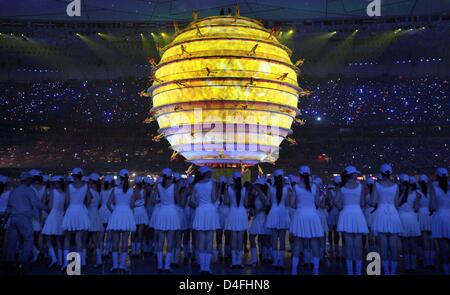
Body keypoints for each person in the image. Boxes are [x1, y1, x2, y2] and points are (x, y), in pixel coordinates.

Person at [5, 172, 45, 274]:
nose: (31, 181)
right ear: (26, 180)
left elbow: (8, 207)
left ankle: (9, 263)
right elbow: (36, 203)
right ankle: (22, 262)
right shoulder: (28, 190)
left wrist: (5, 219)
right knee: (29, 239)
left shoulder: (14, 191)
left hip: (13, 218)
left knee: (12, 242)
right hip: (24, 218)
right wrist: (47, 208)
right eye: (30, 179)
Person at [334, 166, 369, 275]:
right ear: (351, 174)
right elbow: (363, 203)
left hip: (346, 213)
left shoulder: (342, 187)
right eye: (355, 173)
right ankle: (358, 271)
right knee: (358, 244)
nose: (357, 175)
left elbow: (336, 201)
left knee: (348, 244)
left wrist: (342, 208)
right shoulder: (361, 187)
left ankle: (350, 271)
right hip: (357, 213)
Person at [289, 166, 323, 275]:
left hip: (300, 215)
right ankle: (316, 270)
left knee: (298, 243)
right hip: (312, 215)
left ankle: (294, 270)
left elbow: (292, 204)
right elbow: (318, 203)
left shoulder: (296, 187)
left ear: (299, 175)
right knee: (314, 243)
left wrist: (300, 206)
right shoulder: (315, 187)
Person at [370, 164, 403, 275]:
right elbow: (397, 203)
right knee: (393, 245)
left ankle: (386, 270)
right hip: (393, 213)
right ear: (390, 173)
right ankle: (393, 271)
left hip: (381, 213)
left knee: (383, 245)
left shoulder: (377, 185)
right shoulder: (396, 186)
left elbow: (373, 202)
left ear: (381, 173)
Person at [149, 168, 181, 273]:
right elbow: (178, 200)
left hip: (161, 212)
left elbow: (153, 200)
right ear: (171, 176)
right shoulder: (174, 186)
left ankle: (159, 265)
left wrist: (161, 200)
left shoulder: (158, 186)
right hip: (172, 212)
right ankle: (167, 266)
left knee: (160, 241)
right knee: (170, 241)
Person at [191, 166, 220, 274]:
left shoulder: (196, 185)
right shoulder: (212, 183)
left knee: (201, 241)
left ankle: (202, 267)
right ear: (207, 173)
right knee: (209, 241)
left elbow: (193, 200)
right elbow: (213, 198)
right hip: (210, 211)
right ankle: (207, 267)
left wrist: (199, 204)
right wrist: (217, 192)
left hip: (200, 211)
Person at [107, 169, 136, 273]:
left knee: (115, 241)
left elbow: (108, 203)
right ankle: (123, 265)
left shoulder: (115, 189)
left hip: (117, 213)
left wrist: (114, 212)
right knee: (124, 241)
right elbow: (132, 205)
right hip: (127, 214)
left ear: (120, 178)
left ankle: (115, 265)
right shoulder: (131, 190)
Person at [266, 169, 291, 270]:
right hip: (283, 212)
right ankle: (281, 261)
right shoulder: (286, 189)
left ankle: (275, 261)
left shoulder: (271, 188)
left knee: (274, 239)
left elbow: (268, 202)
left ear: (275, 178)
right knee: (282, 239)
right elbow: (288, 203)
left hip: (273, 212)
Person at [224, 171, 248, 269]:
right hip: (242, 214)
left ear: (233, 179)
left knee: (233, 238)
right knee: (240, 238)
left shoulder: (229, 189)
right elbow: (246, 203)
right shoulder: (244, 189)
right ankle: (239, 262)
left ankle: (234, 262)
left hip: (232, 213)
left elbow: (226, 201)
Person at [397, 175, 421, 273]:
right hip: (412, 218)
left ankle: (407, 266)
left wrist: (403, 192)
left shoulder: (400, 193)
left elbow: (397, 204)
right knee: (412, 243)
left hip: (402, 218)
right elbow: (416, 208)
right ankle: (413, 266)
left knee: (405, 244)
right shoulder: (416, 194)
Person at [429, 167, 450, 275]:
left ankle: (446, 271)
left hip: (440, 217)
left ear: (437, 176)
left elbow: (432, 205)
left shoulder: (434, 187)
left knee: (443, 248)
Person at [41, 176, 66, 268]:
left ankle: (54, 258)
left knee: (47, 237)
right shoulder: (64, 192)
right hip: (61, 215)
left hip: (53, 215)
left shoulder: (52, 191)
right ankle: (60, 261)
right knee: (59, 240)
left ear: (55, 183)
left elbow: (50, 206)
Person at [246, 178, 270, 266]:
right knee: (262, 238)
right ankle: (264, 257)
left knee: (252, 237)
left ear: (259, 185)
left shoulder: (260, 193)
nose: (254, 186)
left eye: (256, 185)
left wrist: (258, 211)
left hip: (260, 217)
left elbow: (267, 204)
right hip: (259, 217)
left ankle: (255, 259)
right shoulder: (258, 193)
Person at [417, 174, 434, 269]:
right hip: (430, 214)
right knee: (431, 239)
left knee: (424, 240)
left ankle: (427, 262)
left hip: (421, 214)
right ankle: (432, 262)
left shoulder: (418, 192)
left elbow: (416, 205)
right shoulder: (431, 191)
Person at [87, 173, 104, 268]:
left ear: (91, 181)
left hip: (89, 214)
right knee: (94, 237)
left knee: (88, 237)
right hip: (96, 214)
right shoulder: (98, 191)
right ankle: (99, 259)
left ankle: (98, 260)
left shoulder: (89, 191)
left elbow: (87, 202)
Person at [131, 176, 149, 258]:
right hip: (141, 211)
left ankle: (134, 250)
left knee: (134, 232)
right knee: (140, 232)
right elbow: (145, 202)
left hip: (135, 211)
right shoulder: (143, 191)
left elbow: (132, 202)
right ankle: (137, 251)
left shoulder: (133, 190)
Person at [326, 175, 342, 259]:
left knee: (330, 231)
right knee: (336, 231)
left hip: (332, 212)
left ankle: (331, 248)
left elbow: (328, 201)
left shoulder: (329, 191)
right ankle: (337, 248)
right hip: (339, 212)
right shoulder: (342, 191)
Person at [99, 175, 114, 257]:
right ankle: (108, 251)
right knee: (109, 233)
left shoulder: (102, 190)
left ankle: (101, 251)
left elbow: (100, 202)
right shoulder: (113, 190)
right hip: (110, 211)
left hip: (102, 211)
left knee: (102, 233)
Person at [216, 176, 230, 262]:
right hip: (224, 213)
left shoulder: (225, 191)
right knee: (225, 234)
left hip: (221, 213)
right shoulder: (226, 191)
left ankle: (222, 252)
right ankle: (224, 252)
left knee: (220, 234)